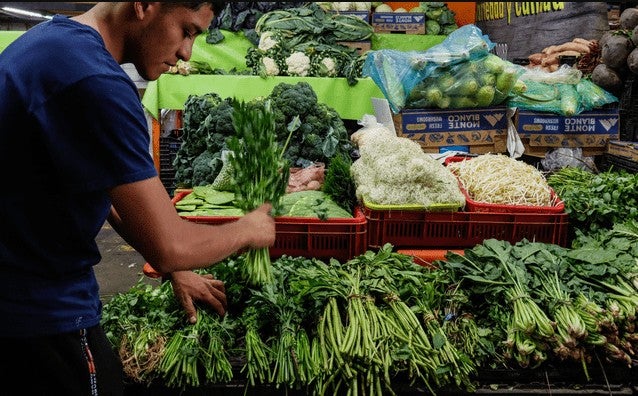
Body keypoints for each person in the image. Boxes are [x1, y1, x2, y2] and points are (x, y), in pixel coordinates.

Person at [0, 2, 277, 395]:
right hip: (38, 312)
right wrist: (248, 229)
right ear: (145, 5)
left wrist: (175, 267)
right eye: (187, 30)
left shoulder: (55, 45)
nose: (187, 52)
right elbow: (171, 246)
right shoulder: (94, 80)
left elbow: (103, 186)